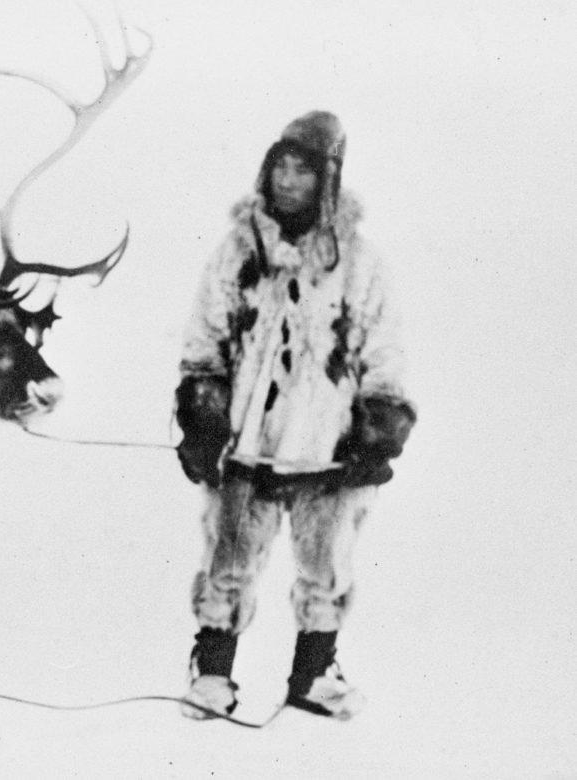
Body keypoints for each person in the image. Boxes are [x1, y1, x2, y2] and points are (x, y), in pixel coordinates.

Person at [174, 110, 416, 720]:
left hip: (325, 445)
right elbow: (206, 339)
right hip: (248, 444)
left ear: (326, 179)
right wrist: (202, 415)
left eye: (301, 170)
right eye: (279, 167)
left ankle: (314, 674)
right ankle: (212, 673)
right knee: (228, 558)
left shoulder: (359, 263)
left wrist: (380, 425)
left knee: (326, 562)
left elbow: (381, 348)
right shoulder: (236, 253)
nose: (287, 180)